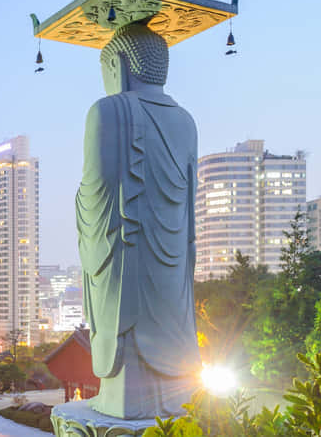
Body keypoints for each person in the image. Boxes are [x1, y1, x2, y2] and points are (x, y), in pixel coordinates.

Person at [76, 22, 201, 420]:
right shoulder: (187, 121)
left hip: (127, 254)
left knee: (125, 325)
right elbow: (188, 207)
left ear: (118, 65)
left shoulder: (108, 110)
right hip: (173, 259)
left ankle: (122, 400)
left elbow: (97, 191)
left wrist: (79, 204)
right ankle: (177, 397)